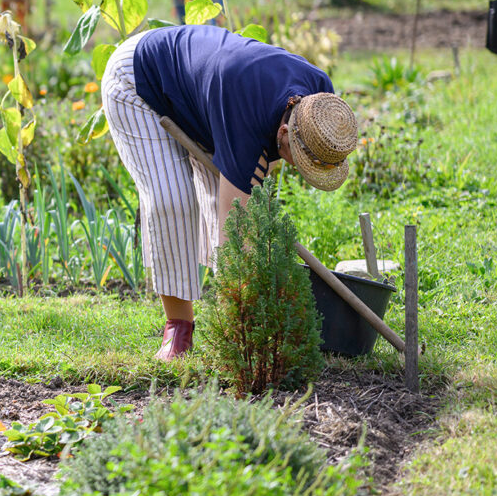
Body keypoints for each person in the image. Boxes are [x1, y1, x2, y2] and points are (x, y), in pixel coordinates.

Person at [100, 24, 358, 361]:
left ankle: (226, 317)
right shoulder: (247, 119)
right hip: (137, 79)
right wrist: (245, 330)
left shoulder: (322, 104)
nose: (298, 168)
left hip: (205, 93)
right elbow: (235, 237)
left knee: (221, 198)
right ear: (283, 132)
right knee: (173, 200)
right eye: (299, 160)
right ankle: (179, 327)